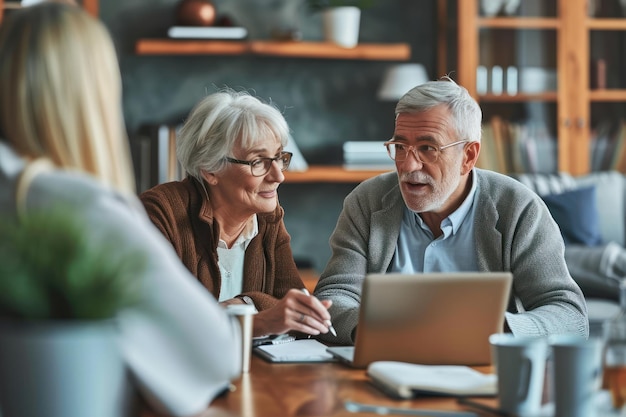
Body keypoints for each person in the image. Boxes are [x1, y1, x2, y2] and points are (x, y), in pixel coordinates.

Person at [0, 3, 241, 416]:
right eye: (256, 160)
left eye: (279, 158)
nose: (274, 173)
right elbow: (215, 352)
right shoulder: (76, 205)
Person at [314, 77, 589, 345]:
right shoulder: (367, 202)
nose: (408, 166)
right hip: (383, 369)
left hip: (484, 378)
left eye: (427, 148)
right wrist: (371, 329)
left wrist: (498, 328)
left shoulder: (519, 209)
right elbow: (334, 295)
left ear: (468, 156)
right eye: (400, 147)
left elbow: (570, 316)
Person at [140, 89, 333, 338]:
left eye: (278, 157)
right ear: (210, 170)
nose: (279, 176)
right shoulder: (160, 213)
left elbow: (294, 307)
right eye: (258, 162)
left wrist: (245, 304)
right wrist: (259, 321)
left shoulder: (267, 217)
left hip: (252, 372)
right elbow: (162, 323)